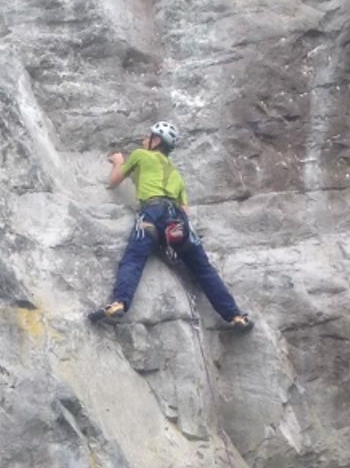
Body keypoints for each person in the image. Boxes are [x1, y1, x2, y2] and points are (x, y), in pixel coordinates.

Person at [93, 120, 252, 330]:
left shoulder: (141, 155)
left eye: (148, 137)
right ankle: (235, 316)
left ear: (156, 141)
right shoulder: (177, 174)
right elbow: (185, 210)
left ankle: (119, 303)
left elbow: (113, 182)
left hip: (153, 212)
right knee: (203, 269)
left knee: (134, 258)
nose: (144, 139)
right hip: (178, 221)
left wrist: (118, 162)